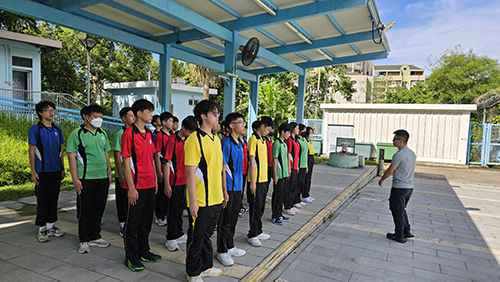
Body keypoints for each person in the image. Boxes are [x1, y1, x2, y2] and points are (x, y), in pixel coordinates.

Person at [185, 100, 226, 282]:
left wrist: (224, 193)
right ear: (203, 116)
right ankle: (193, 272)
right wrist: (192, 201)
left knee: (207, 236)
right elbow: (190, 172)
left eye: (218, 113)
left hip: (216, 198)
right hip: (201, 199)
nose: (217, 116)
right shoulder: (194, 139)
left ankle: (206, 266)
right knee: (197, 237)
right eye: (214, 113)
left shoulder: (215, 139)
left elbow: (218, 170)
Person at [122, 99, 162, 271]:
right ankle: (131, 256)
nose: (152, 114)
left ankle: (144, 251)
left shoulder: (149, 133)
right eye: (149, 111)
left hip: (149, 184)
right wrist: (131, 188)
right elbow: (126, 162)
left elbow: (153, 159)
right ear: (139, 113)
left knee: (146, 221)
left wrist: (155, 181)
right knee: (133, 224)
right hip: (136, 186)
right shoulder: (128, 134)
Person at [67, 105, 112, 254]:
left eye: (101, 116)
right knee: (86, 210)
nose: (99, 120)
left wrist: (109, 172)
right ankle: (84, 240)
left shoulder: (103, 133)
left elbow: (106, 154)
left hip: (103, 177)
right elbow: (72, 156)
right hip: (86, 178)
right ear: (86, 117)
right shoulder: (77, 134)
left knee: (99, 208)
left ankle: (95, 236)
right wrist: (75, 179)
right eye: (95, 116)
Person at [28, 101, 66, 243]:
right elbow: (32, 152)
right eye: (48, 110)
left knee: (54, 198)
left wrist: (62, 168)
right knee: (42, 199)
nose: (51, 112)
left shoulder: (57, 129)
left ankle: (51, 226)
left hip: (56, 170)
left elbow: (60, 151)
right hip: (42, 171)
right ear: (40, 112)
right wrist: (33, 171)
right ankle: (41, 228)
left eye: (53, 110)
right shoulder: (35, 130)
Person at [217, 113, 247, 266]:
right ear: (231, 126)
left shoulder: (240, 143)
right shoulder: (226, 143)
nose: (244, 125)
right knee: (225, 220)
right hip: (228, 188)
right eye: (240, 122)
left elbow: (239, 168)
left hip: (237, 187)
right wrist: (224, 191)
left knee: (234, 219)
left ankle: (230, 245)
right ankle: (222, 250)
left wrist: (241, 188)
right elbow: (223, 169)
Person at [164, 116, 197, 252]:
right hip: (174, 181)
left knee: (180, 209)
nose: (190, 135)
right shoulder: (172, 140)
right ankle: (170, 238)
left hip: (186, 181)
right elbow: (166, 163)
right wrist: (166, 184)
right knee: (173, 210)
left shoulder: (189, 141)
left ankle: (178, 233)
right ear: (183, 128)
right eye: (189, 132)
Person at [378, 129, 416, 244]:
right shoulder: (411, 153)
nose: (392, 141)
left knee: (396, 210)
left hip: (399, 187)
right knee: (401, 209)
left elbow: (390, 170)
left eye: (394, 139)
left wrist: (382, 179)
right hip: (409, 187)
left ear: (401, 141)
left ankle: (399, 234)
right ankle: (407, 230)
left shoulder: (398, 155)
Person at [247, 117, 273, 247]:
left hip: (263, 179)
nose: (269, 132)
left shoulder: (262, 140)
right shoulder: (253, 140)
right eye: (268, 129)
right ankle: (252, 234)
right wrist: (252, 181)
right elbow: (252, 161)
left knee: (261, 207)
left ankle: (258, 230)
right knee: (255, 208)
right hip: (255, 180)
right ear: (262, 126)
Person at [113, 107, 135, 236]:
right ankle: (122, 224)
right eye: (131, 115)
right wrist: (120, 175)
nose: (133, 118)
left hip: (133, 174)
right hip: (123, 173)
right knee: (122, 200)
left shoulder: (136, 133)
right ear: (124, 118)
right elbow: (117, 156)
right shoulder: (119, 135)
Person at [154, 111, 174, 227]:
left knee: (168, 193)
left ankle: (166, 213)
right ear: (163, 122)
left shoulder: (171, 135)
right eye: (170, 121)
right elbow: (157, 154)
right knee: (161, 193)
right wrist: (159, 171)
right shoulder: (159, 136)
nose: (171, 123)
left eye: (172, 121)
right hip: (162, 166)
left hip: (170, 168)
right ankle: (160, 216)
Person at [271, 122, 292, 225]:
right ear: (282, 132)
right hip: (279, 174)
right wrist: (275, 175)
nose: (289, 135)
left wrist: (288, 169)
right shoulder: (277, 143)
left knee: (282, 194)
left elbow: (286, 158)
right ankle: (275, 215)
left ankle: (280, 213)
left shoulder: (284, 144)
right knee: (277, 195)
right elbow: (274, 160)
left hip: (284, 174)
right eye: (288, 132)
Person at [285, 122, 300, 215]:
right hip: (290, 166)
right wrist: (289, 167)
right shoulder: (289, 140)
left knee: (294, 186)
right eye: (297, 128)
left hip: (295, 166)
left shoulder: (296, 140)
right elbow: (288, 154)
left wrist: (297, 166)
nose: (298, 130)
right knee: (289, 187)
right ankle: (287, 206)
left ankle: (291, 204)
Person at [301, 127, 315, 203]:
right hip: (307, 158)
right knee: (306, 179)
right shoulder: (305, 141)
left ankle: (307, 194)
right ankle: (304, 195)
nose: (311, 134)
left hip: (311, 158)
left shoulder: (309, 141)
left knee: (309, 178)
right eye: (310, 133)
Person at [296, 124, 309, 204]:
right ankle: (296, 199)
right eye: (303, 130)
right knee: (298, 183)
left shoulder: (304, 140)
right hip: (299, 165)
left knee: (302, 182)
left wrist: (306, 165)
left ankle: (299, 198)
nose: (305, 132)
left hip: (304, 164)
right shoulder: (298, 141)